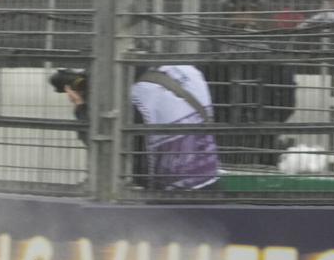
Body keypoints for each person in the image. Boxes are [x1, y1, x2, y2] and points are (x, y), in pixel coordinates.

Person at [58, 65, 219, 191]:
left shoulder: (139, 98)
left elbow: (107, 151)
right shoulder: (184, 72)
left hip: (171, 195)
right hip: (209, 178)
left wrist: (81, 106)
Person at [202, 0, 296, 167]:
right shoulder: (216, 45)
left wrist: (269, 123)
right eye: (239, 7)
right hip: (232, 134)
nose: (243, 12)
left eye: (247, 7)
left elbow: (287, 97)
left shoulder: (215, 46)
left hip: (251, 133)